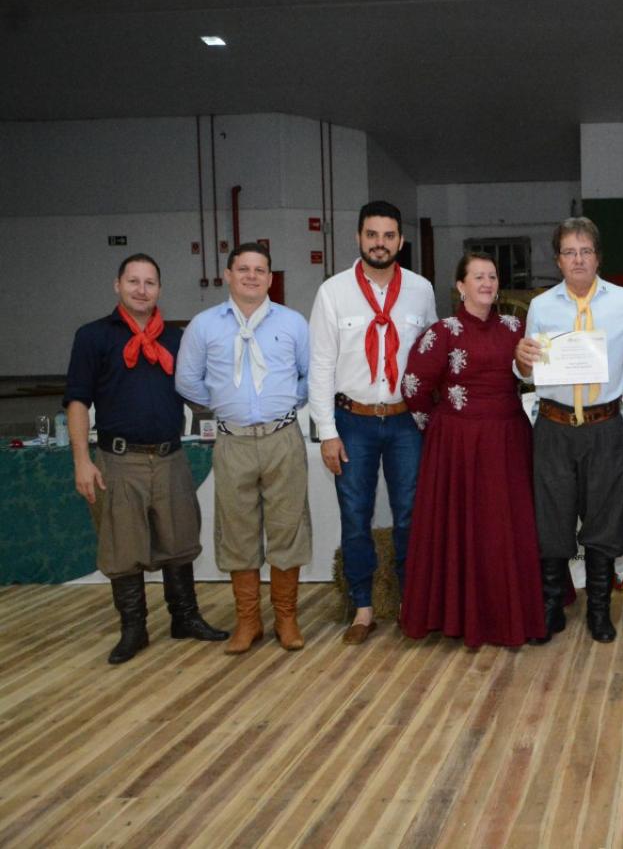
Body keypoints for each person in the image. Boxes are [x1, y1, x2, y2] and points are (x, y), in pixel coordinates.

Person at [64, 254, 228, 664]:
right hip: (119, 460)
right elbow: (78, 401)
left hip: (170, 456)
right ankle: (133, 630)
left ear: (159, 289)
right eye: (133, 281)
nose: (141, 289)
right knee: (123, 546)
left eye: (149, 282)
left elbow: (201, 390)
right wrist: (82, 460)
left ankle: (184, 618)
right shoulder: (93, 337)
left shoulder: (176, 340)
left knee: (179, 540)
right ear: (117, 285)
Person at [399, 253, 545, 647]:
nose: (486, 283)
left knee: (504, 529)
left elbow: (534, 374)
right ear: (460, 286)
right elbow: (413, 386)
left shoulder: (516, 328)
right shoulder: (442, 332)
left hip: (508, 441)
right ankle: (459, 614)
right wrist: (439, 428)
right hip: (458, 446)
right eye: (477, 277)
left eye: (492, 277)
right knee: (464, 529)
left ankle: (510, 614)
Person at [309, 201, 437, 644]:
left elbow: (432, 354)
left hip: (405, 423)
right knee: (355, 516)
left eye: (388, 236)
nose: (379, 243)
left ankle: (408, 604)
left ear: (400, 241)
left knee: (411, 516)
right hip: (352, 421)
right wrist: (327, 433)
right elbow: (320, 366)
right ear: (358, 238)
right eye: (372, 235)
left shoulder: (421, 290)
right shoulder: (333, 292)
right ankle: (362, 608)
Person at [176, 243, 311, 654]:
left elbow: (310, 375)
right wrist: (224, 403)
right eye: (243, 269)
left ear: (270, 278)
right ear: (228, 275)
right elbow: (186, 381)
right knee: (237, 532)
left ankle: (286, 618)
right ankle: (248, 621)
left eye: (260, 270)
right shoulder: (203, 326)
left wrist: (285, 402)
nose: (252, 276)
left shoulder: (293, 323)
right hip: (232, 441)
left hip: (282, 439)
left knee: (288, 527)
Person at [514, 217, 623, 643]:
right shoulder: (541, 306)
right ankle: (551, 606)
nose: (578, 259)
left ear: (598, 257)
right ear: (558, 260)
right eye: (569, 252)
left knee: (605, 518)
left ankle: (600, 609)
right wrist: (521, 361)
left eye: (585, 251)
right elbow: (527, 367)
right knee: (552, 517)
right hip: (553, 425)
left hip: (604, 426)